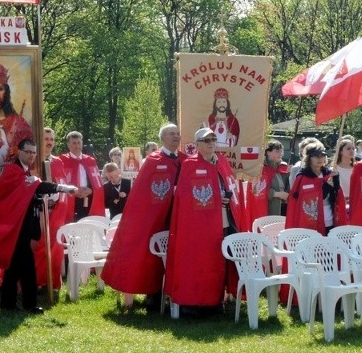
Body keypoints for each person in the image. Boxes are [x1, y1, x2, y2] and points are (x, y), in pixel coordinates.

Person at [0, 138, 77, 313]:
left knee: (19, 266)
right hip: (14, 227)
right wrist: (63, 188)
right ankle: (24, 304)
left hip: (22, 226)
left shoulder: (24, 173)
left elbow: (27, 195)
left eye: (34, 152)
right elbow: (36, 187)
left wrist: (37, 200)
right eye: (28, 152)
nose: (32, 155)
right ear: (19, 152)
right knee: (22, 266)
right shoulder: (13, 171)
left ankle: (13, 303)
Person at [101, 123, 185, 309]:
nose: (176, 137)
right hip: (154, 217)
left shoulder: (184, 159)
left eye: (178, 134)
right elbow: (142, 192)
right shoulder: (153, 160)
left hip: (177, 216)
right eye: (171, 134)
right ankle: (153, 295)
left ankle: (174, 295)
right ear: (162, 138)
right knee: (151, 257)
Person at [164, 128, 244, 317]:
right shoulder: (190, 165)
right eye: (206, 140)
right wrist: (216, 199)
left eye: (213, 139)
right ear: (197, 144)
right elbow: (185, 196)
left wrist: (225, 198)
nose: (210, 143)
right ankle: (192, 303)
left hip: (223, 220)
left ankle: (216, 301)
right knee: (198, 263)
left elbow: (229, 184)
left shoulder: (221, 162)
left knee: (219, 263)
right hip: (198, 225)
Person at [33, 127, 70, 293]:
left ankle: (53, 282)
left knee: (56, 248)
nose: (49, 143)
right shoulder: (33, 161)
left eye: (51, 140)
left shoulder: (58, 162)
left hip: (57, 213)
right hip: (40, 212)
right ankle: (37, 281)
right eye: (45, 139)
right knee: (39, 246)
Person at [286, 141, 345, 234]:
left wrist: (335, 182)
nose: (320, 158)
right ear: (309, 158)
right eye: (316, 156)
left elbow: (337, 198)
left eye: (322, 155)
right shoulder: (302, 177)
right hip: (309, 223)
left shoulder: (330, 174)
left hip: (329, 221)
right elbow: (296, 202)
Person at [59, 131, 105, 222]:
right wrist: (74, 191)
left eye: (79, 142)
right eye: (74, 143)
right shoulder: (62, 161)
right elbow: (59, 182)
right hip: (71, 199)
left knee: (87, 225)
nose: (77, 146)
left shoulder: (90, 160)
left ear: (82, 143)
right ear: (68, 144)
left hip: (88, 198)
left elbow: (97, 183)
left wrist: (91, 190)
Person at [245, 139, 289, 229]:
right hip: (267, 207)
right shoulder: (260, 169)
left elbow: (287, 186)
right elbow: (256, 190)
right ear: (268, 152)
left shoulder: (283, 167)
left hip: (282, 207)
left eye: (281, 151)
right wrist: (276, 194)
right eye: (277, 151)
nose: (280, 153)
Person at [334, 138, 355, 214]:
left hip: (355, 203)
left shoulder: (357, 168)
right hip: (340, 205)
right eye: (348, 148)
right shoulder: (334, 169)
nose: (352, 151)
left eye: (353, 148)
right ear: (340, 151)